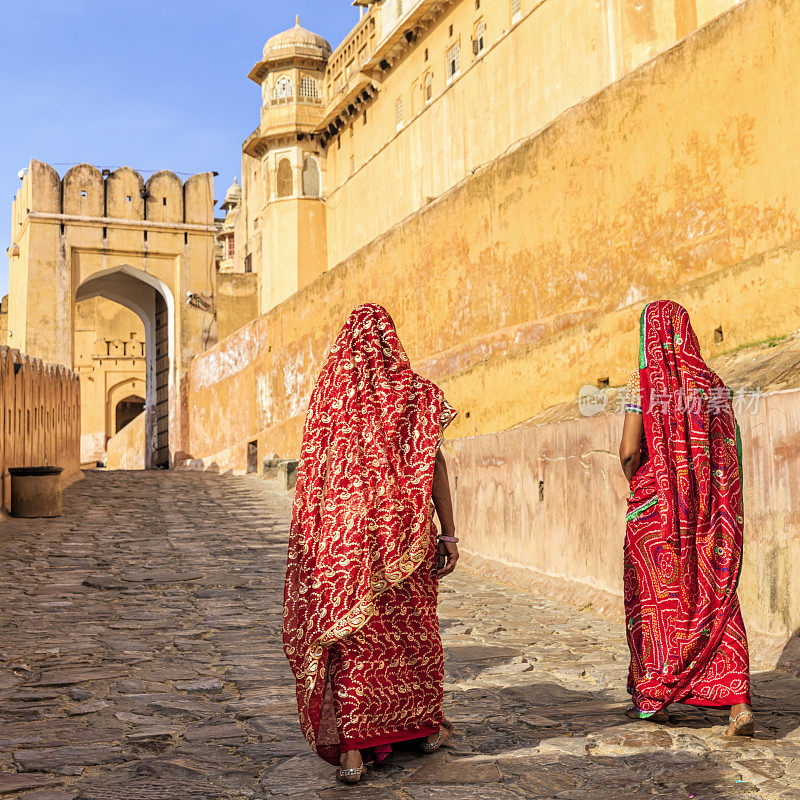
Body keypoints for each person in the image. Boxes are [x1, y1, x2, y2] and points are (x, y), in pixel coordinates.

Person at [283, 303, 460, 784]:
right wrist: (448, 531)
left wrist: (314, 548)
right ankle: (422, 729)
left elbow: (314, 483)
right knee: (411, 636)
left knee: (354, 643)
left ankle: (354, 755)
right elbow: (435, 465)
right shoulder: (415, 395)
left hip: (345, 549)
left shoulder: (328, 399)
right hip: (406, 541)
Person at [618, 300, 754, 737]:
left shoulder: (641, 388)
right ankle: (737, 703)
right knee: (714, 597)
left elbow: (627, 450)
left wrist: (640, 482)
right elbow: (727, 449)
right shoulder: (713, 387)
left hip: (655, 515)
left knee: (659, 603)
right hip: (710, 515)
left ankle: (655, 696)